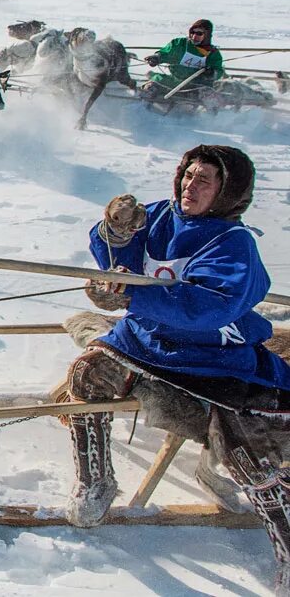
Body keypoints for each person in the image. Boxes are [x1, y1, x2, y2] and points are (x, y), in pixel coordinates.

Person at [66, 145, 290, 593]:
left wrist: (131, 297)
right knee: (87, 374)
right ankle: (96, 483)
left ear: (228, 191)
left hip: (211, 359)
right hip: (146, 342)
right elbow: (118, 257)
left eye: (205, 179)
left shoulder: (233, 244)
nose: (191, 184)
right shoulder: (162, 216)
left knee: (245, 450)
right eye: (188, 174)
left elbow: (204, 307)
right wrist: (113, 232)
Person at [139, 19, 225, 101]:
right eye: (192, 32)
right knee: (150, 87)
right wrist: (157, 58)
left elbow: (218, 71)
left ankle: (209, 116)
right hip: (174, 81)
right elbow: (166, 53)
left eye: (199, 33)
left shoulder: (212, 53)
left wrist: (211, 73)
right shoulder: (180, 44)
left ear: (206, 35)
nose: (194, 36)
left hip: (197, 85)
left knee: (210, 97)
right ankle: (142, 110)